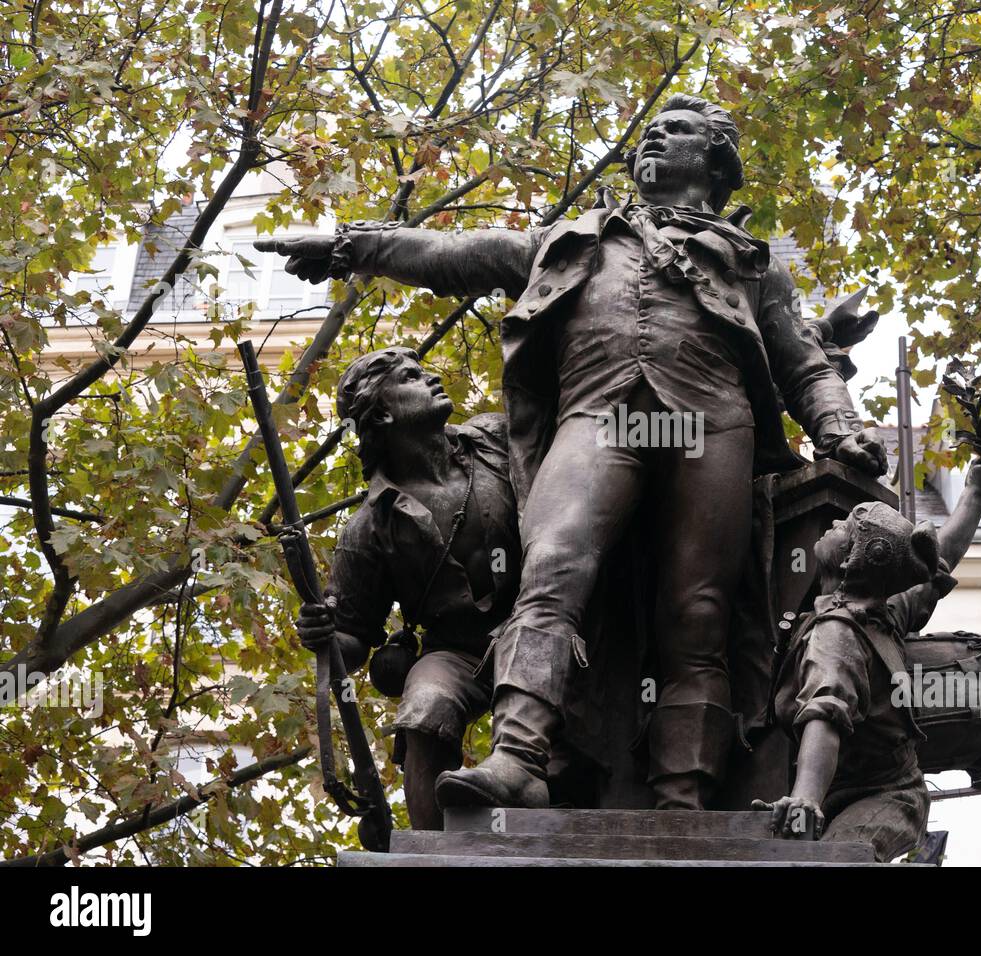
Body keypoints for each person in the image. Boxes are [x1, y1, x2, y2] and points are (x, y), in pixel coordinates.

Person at [259, 94, 886, 811]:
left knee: (699, 613)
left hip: (713, 427)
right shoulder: (571, 240)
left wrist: (840, 428)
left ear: (715, 159)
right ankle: (520, 755)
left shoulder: (752, 267)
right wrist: (350, 247)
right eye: (648, 131)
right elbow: (453, 254)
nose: (652, 138)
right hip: (599, 417)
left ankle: (683, 800)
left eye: (675, 131)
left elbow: (802, 363)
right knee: (553, 563)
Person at [293, 347, 519, 829]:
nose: (433, 377)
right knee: (424, 706)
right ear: (384, 411)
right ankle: (434, 849)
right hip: (455, 651)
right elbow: (351, 640)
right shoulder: (369, 526)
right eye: (412, 377)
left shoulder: (495, 441)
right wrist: (323, 635)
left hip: (537, 619)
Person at [759, 454, 981, 859]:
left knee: (839, 859)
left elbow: (827, 713)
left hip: (886, 799)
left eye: (847, 527)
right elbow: (938, 561)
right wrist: (976, 494)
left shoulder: (836, 635)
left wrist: (804, 799)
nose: (835, 524)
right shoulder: (884, 610)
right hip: (861, 793)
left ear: (855, 558)